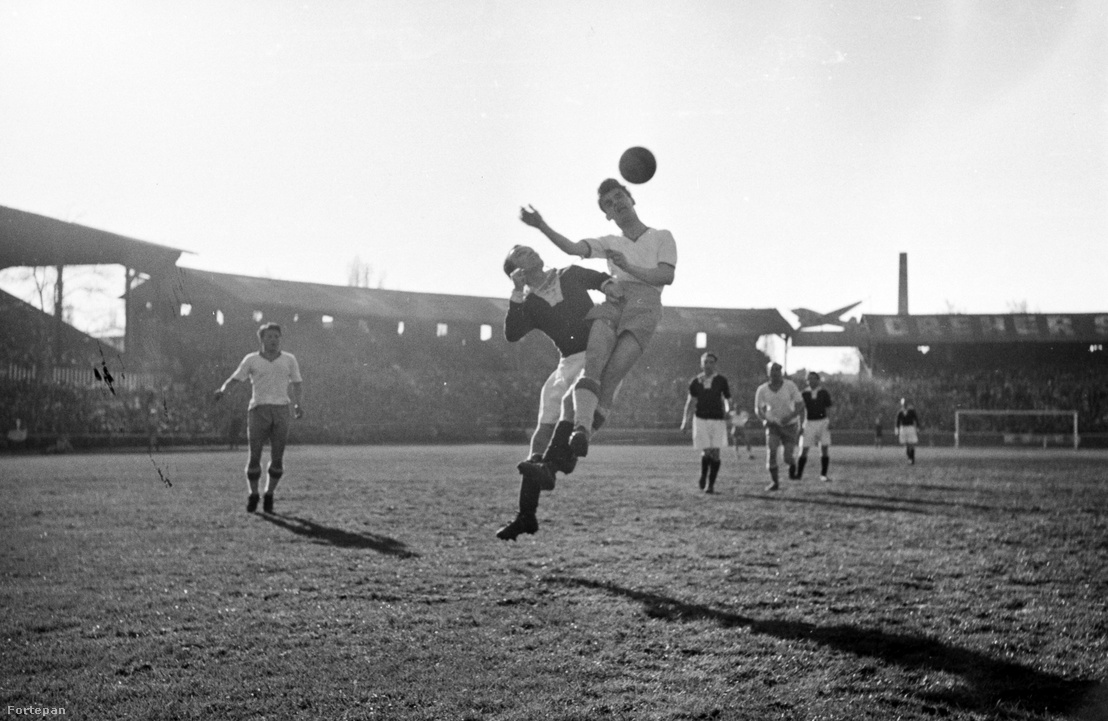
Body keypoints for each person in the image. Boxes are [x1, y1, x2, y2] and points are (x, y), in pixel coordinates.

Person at [517, 178, 676, 485]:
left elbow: (665, 276)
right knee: (592, 367)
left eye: (620, 197)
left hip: (645, 305)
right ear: (607, 214)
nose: (617, 203)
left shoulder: (662, 236)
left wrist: (627, 266)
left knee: (611, 377)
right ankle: (572, 440)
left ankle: (567, 450)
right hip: (614, 301)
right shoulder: (608, 241)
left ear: (631, 199)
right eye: (609, 203)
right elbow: (573, 247)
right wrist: (541, 226)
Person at [495, 245, 620, 541]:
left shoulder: (569, 273)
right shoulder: (530, 303)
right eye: (522, 254)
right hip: (566, 363)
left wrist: (609, 285)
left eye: (529, 249)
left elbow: (598, 278)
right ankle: (526, 514)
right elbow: (512, 333)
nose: (531, 253)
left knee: (572, 408)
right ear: (517, 271)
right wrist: (516, 293)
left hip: (595, 356)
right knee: (541, 433)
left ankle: (557, 463)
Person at [214, 323, 304, 514]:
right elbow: (236, 378)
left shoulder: (289, 359)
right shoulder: (252, 359)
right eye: (270, 337)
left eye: (277, 337)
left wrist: (298, 404)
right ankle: (253, 494)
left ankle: (269, 494)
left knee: (277, 458)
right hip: (258, 410)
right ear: (262, 339)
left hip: (281, 410)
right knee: (254, 456)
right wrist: (223, 390)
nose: (274, 340)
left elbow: (297, 383)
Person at [680, 352, 731, 493]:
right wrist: (686, 421)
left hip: (717, 419)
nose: (708, 365)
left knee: (715, 452)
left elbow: (727, 398)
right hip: (701, 418)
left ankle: (711, 484)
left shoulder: (721, 380)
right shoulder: (696, 382)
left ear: (715, 364)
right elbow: (690, 402)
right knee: (706, 451)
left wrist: (728, 409)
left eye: (711, 362)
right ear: (701, 364)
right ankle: (703, 475)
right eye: (705, 362)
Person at [754, 362, 803, 491]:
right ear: (768, 373)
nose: (775, 373)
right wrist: (764, 419)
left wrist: (791, 416)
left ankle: (792, 464)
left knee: (787, 456)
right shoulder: (762, 389)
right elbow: (758, 409)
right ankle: (774, 482)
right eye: (773, 370)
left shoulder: (790, 386)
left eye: (778, 370)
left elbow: (799, 404)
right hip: (773, 424)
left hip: (789, 425)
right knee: (772, 450)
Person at [796, 371, 833, 482]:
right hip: (809, 422)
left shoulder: (823, 392)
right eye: (809, 378)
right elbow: (801, 411)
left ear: (818, 380)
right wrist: (801, 425)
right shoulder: (804, 393)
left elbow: (829, 408)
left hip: (823, 422)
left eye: (813, 378)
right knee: (804, 449)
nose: (811, 380)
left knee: (824, 448)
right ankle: (799, 474)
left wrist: (830, 421)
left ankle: (823, 475)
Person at [895, 398, 921, 465]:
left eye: (906, 404)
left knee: (911, 444)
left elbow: (916, 419)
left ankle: (912, 458)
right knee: (906, 444)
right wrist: (897, 429)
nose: (905, 405)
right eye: (904, 404)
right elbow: (898, 421)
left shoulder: (912, 411)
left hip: (910, 428)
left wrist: (918, 427)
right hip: (903, 428)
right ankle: (909, 457)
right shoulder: (900, 412)